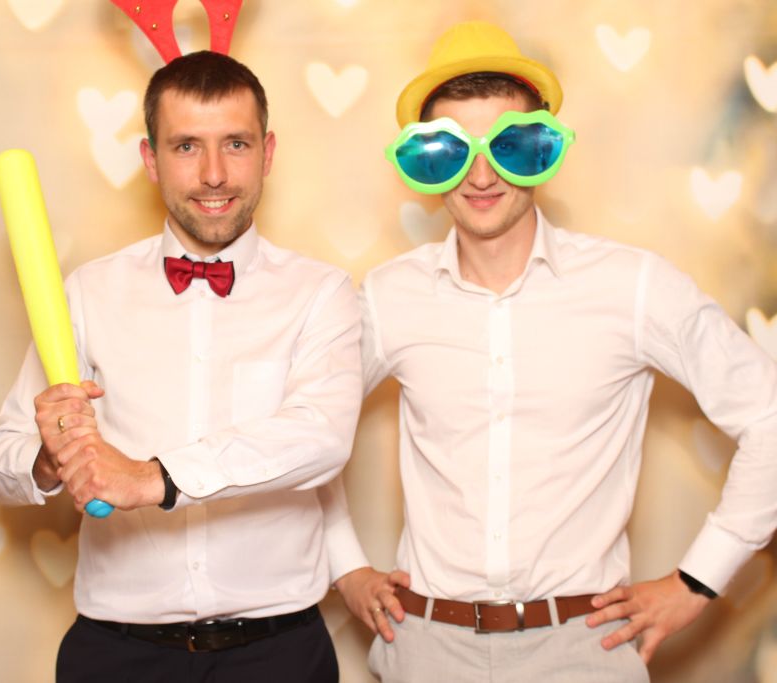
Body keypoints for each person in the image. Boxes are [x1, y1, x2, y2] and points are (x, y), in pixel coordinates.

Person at [321, 20, 777, 682]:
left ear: (543, 147)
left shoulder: (632, 285)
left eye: (509, 146)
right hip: (429, 649)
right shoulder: (391, 296)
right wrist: (346, 566)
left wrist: (697, 580)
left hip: (583, 649)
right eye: (452, 151)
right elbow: (307, 427)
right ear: (426, 161)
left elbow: (768, 415)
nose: (481, 175)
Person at [0, 50, 362, 683]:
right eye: (187, 146)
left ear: (267, 153)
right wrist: (50, 458)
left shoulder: (321, 292)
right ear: (150, 159)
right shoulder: (88, 292)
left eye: (235, 144)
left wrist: (152, 478)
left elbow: (320, 437)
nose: (214, 174)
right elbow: (0, 461)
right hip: (116, 654)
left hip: (279, 654)